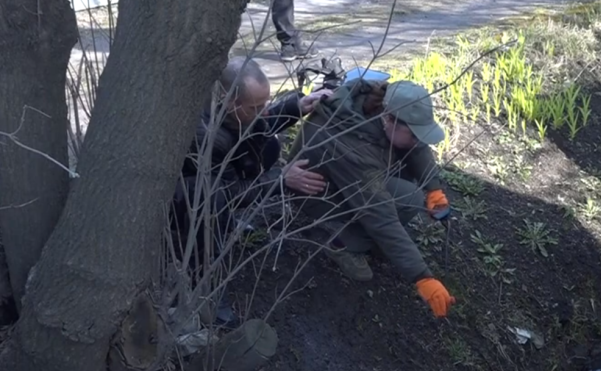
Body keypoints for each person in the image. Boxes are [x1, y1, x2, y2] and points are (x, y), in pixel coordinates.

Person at [172, 55, 332, 326]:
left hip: (216, 181)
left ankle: (226, 224)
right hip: (183, 199)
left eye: (265, 103)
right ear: (230, 102)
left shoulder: (233, 111)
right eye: (256, 106)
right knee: (213, 204)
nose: (264, 110)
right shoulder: (206, 135)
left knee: (268, 147)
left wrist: (296, 107)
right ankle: (205, 288)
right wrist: (281, 180)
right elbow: (225, 192)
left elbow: (257, 126)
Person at [286, 78, 457, 319]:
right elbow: (381, 216)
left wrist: (434, 189)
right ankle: (342, 243)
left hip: (352, 178)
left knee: (407, 188)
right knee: (407, 198)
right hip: (317, 194)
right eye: (415, 134)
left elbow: (415, 146)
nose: (419, 141)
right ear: (388, 120)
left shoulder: (383, 103)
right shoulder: (349, 144)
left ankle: (374, 242)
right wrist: (422, 277)